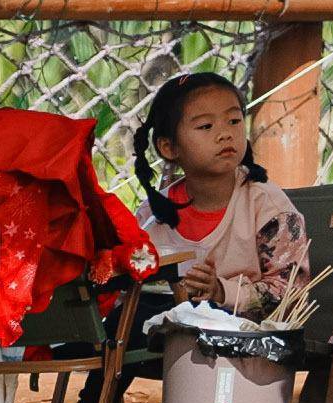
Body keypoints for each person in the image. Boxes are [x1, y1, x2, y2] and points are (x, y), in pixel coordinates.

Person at [130, 72, 312, 321]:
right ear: (168, 147)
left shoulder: (269, 207)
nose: (225, 134)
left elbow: (290, 295)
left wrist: (219, 291)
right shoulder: (151, 216)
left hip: (244, 345)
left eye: (234, 121)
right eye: (206, 126)